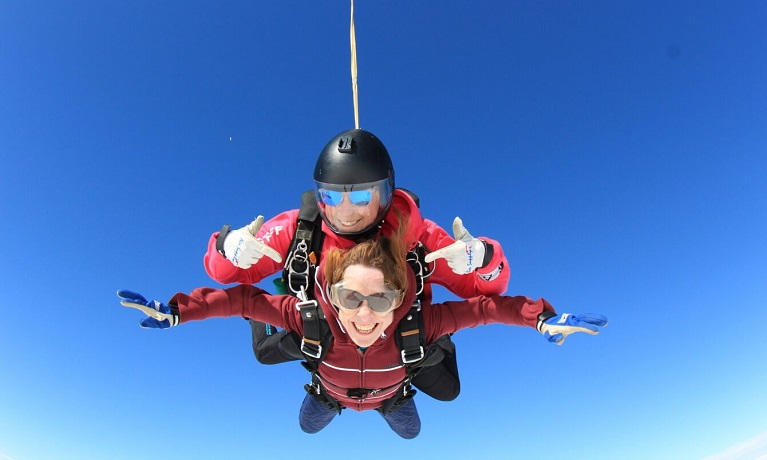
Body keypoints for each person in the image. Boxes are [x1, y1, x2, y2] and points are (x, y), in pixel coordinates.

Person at [118, 223, 608, 438]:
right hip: (329, 393)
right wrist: (179, 311)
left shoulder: (416, 321)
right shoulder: (310, 315)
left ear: (401, 297)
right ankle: (330, 396)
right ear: (330, 293)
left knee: (425, 419)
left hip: (392, 395)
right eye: (350, 297)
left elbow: (486, 307)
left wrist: (541, 316)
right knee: (306, 426)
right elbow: (240, 299)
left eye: (382, 299)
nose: (366, 314)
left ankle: (420, 371)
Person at [202, 128, 510, 401]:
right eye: (331, 198)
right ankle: (329, 394)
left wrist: (484, 258)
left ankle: (394, 394)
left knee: (447, 390)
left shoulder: (418, 237)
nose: (345, 212)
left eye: (362, 196)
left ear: (386, 193)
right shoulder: (300, 230)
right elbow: (227, 274)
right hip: (327, 335)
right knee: (264, 352)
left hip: (399, 337)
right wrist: (227, 249)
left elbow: (482, 290)